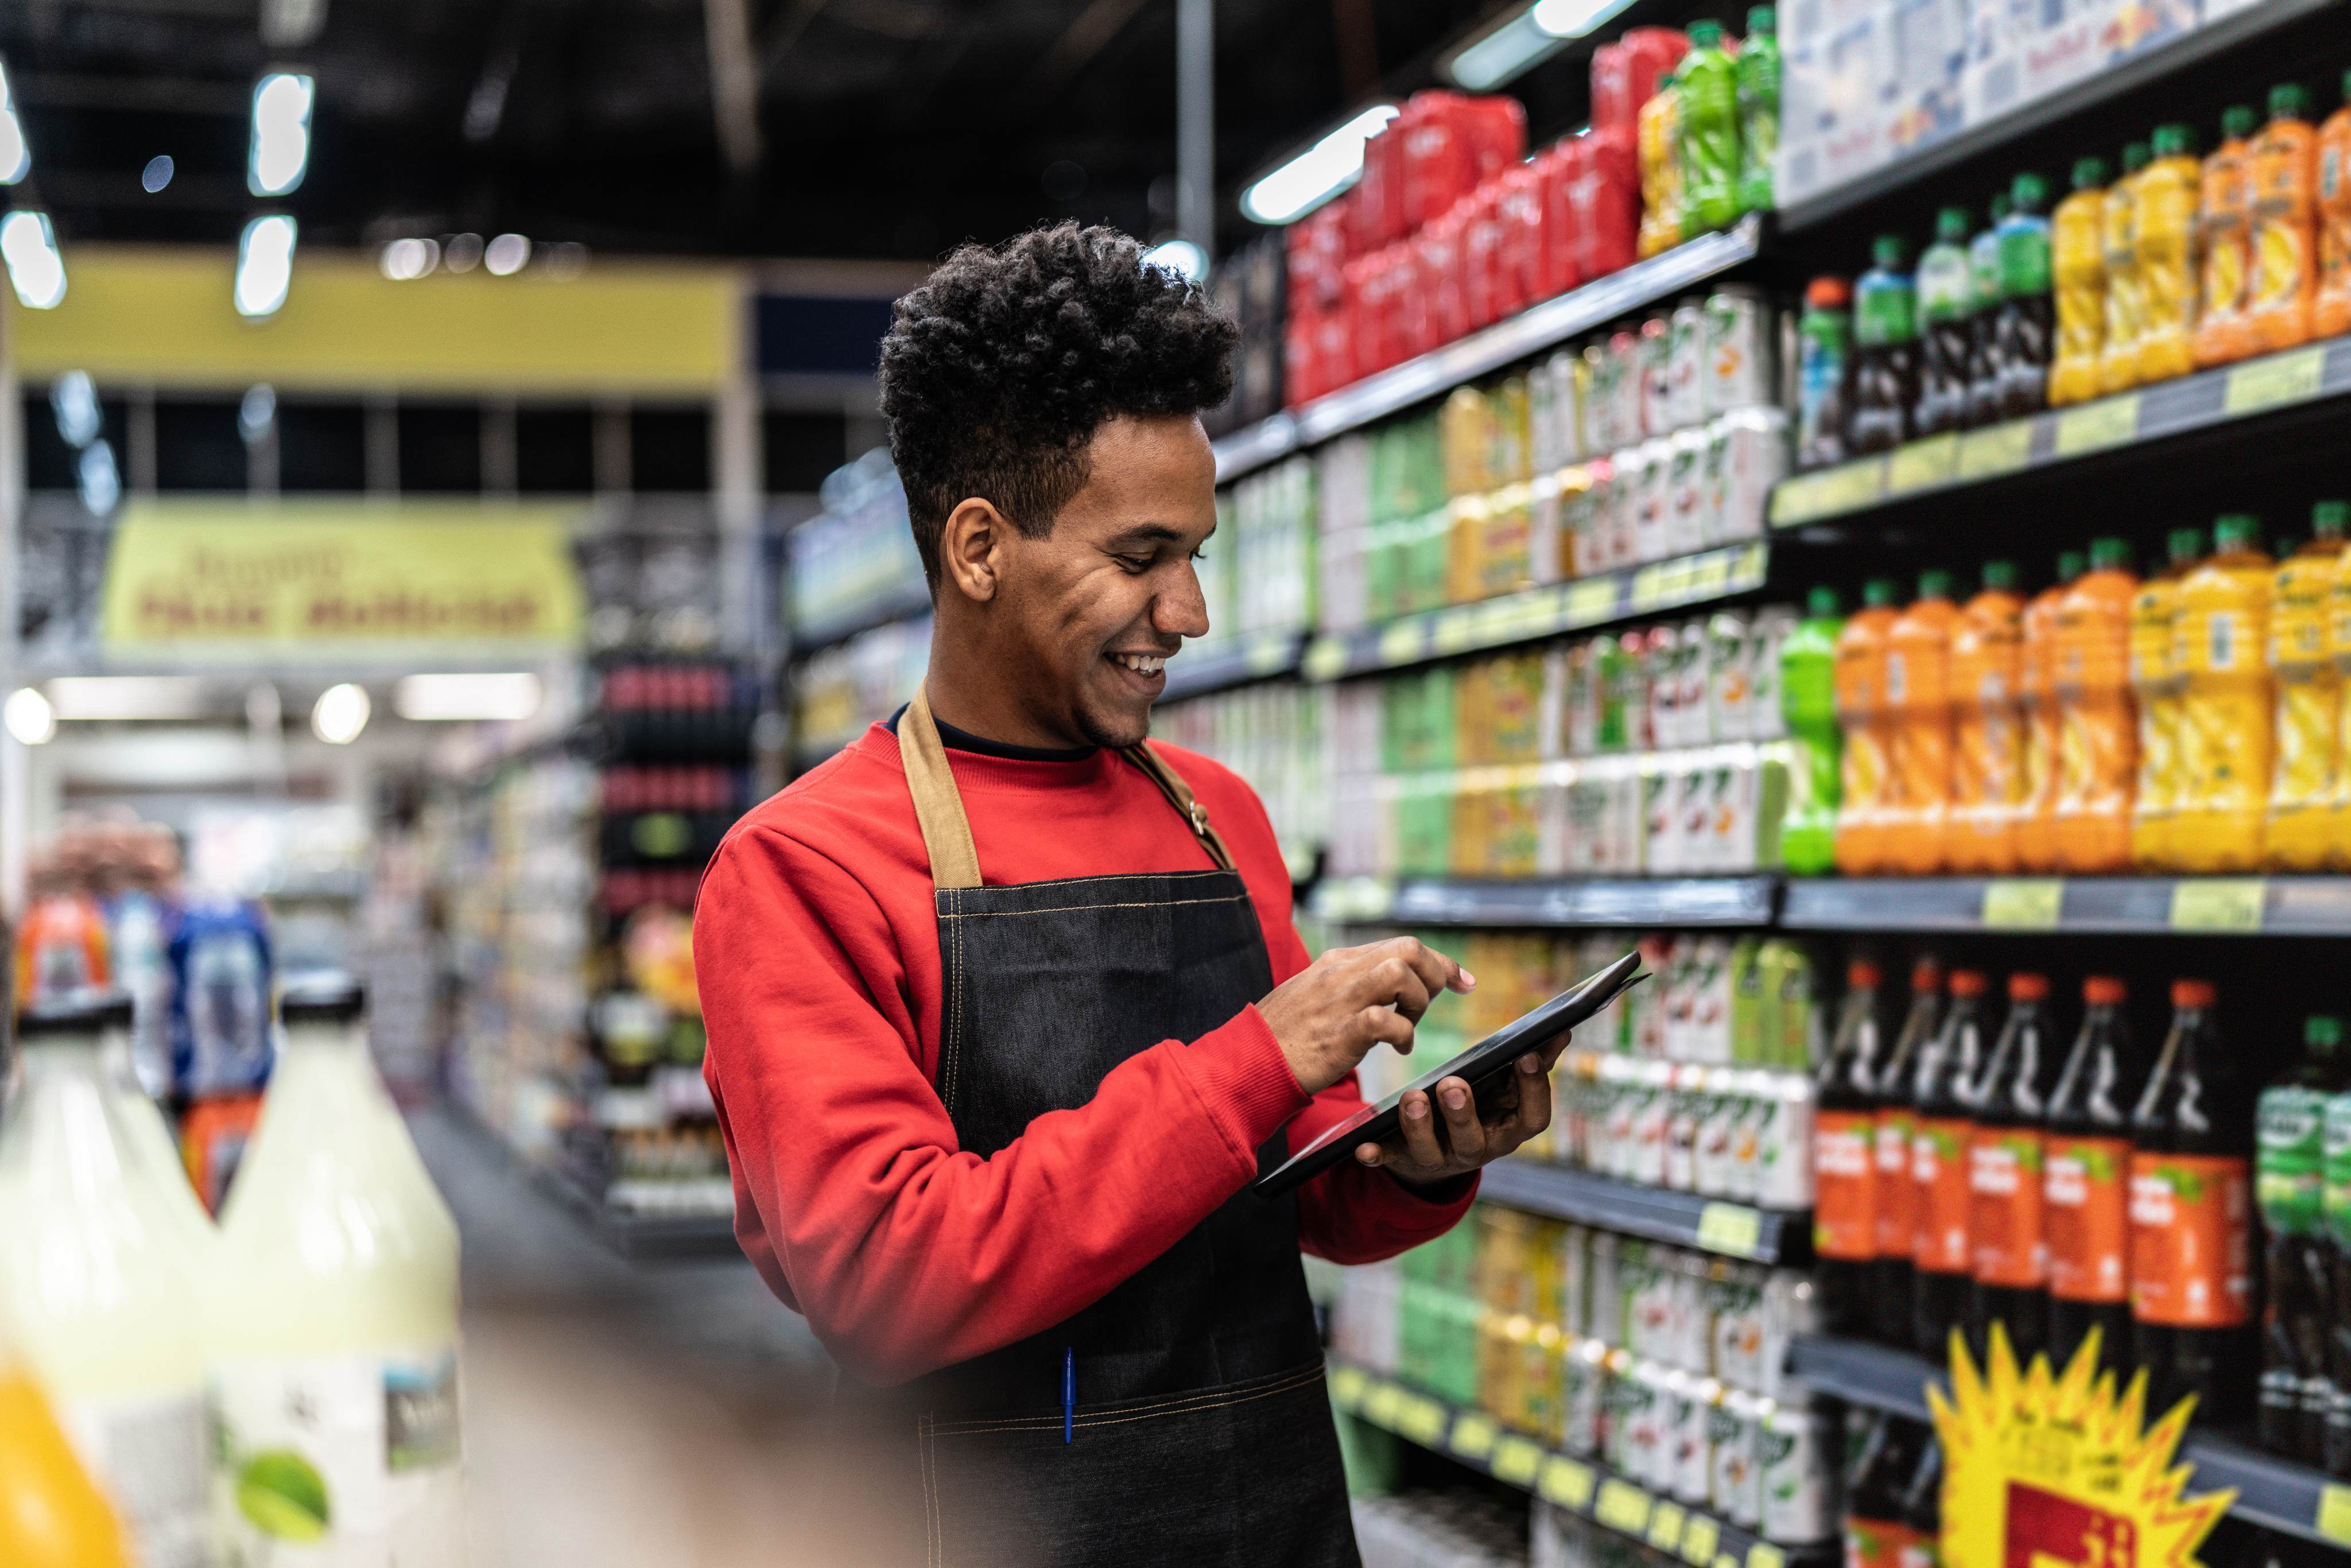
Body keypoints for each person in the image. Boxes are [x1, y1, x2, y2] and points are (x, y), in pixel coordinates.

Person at [697, 223, 1568, 1566]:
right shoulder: (804, 867)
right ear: (979, 547)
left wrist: (1419, 1165)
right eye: (1141, 555)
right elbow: (885, 1279)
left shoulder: (1219, 819)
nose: (1189, 610)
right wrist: (1252, 1061)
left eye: (1198, 552)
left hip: (1265, 1517)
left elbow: (1306, 1188)